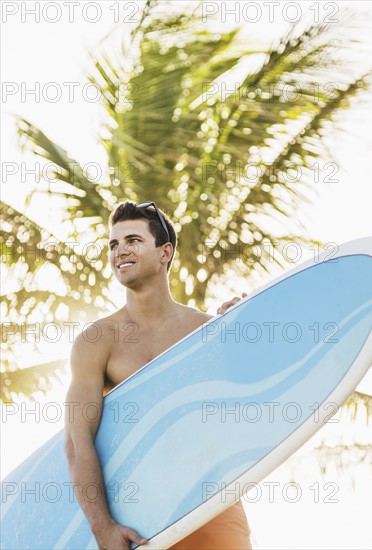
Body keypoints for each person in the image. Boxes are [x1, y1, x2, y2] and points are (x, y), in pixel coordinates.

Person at [64, 200, 251, 550]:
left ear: (165, 252)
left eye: (133, 240)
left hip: (215, 508)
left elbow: (247, 407)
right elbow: (77, 441)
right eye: (113, 244)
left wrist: (241, 331)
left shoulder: (207, 332)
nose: (120, 251)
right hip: (142, 520)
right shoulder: (97, 340)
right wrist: (103, 528)